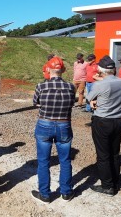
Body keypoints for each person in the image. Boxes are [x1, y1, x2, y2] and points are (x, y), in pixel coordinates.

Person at [32, 56, 75, 203]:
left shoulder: (41, 86)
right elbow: (72, 103)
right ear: (62, 70)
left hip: (45, 123)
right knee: (65, 160)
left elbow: (35, 102)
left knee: (43, 161)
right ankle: (66, 192)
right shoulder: (71, 87)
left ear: (48, 69)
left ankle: (44, 194)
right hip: (64, 125)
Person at [86, 55, 121, 196]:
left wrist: (93, 100)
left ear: (100, 69)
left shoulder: (100, 84)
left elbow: (89, 97)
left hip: (103, 120)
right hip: (118, 120)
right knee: (114, 153)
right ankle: (115, 181)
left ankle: (107, 186)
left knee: (103, 155)